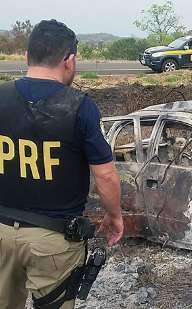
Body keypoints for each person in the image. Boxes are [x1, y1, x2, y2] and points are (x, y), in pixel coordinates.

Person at [0, 19, 123, 309]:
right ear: (69, 60)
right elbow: (105, 175)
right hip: (54, 240)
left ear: (27, 56)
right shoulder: (80, 106)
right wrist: (114, 216)